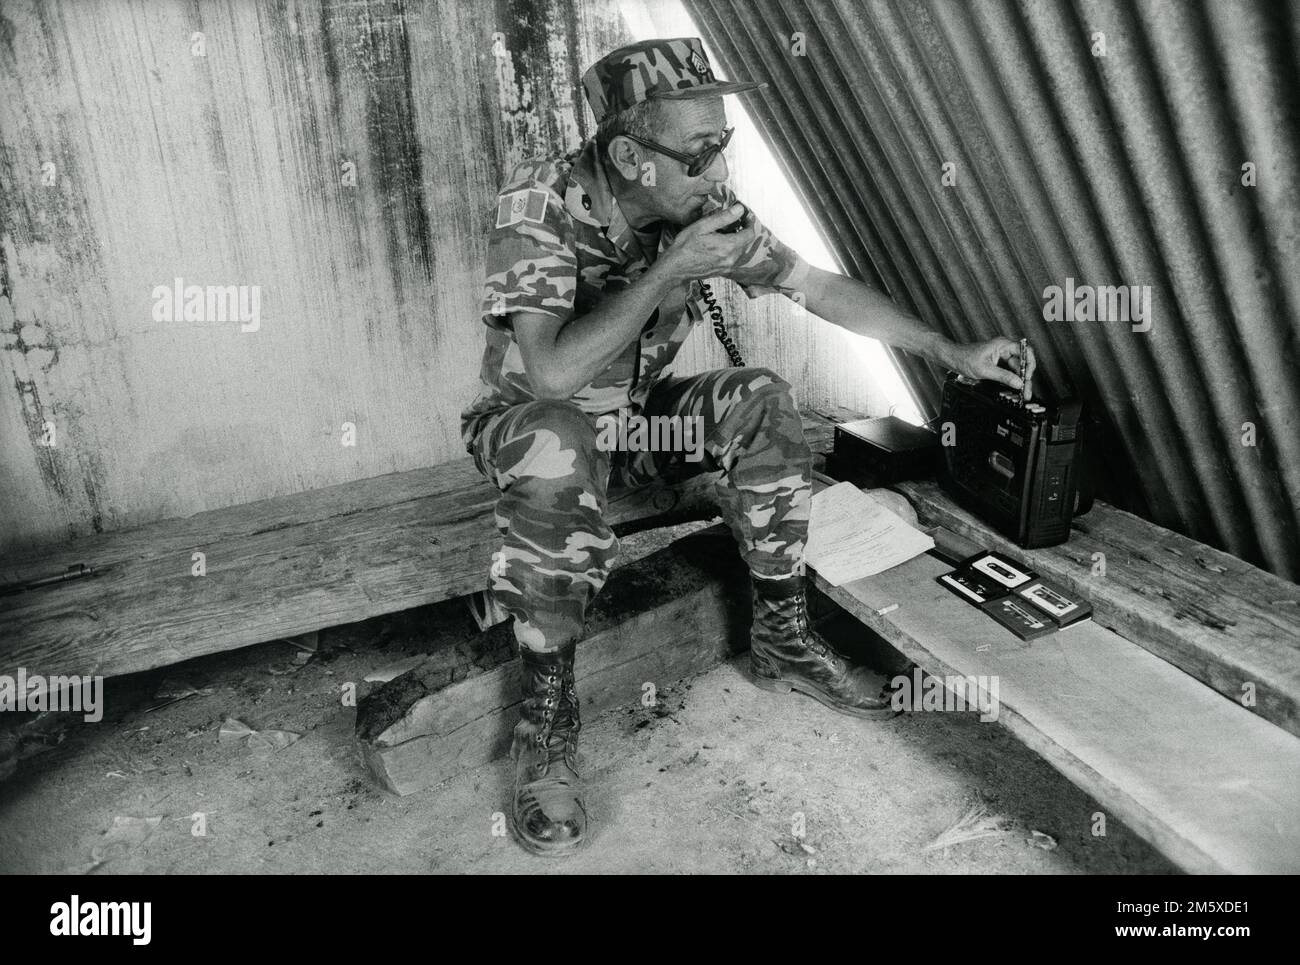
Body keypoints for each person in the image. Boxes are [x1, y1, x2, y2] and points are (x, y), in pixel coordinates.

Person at [459, 37, 1036, 856]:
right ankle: (547, 724)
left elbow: (817, 287)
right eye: (699, 155)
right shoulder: (539, 207)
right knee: (558, 439)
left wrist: (950, 351)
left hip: (635, 425)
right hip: (529, 425)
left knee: (762, 398)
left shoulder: (697, 211)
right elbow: (549, 374)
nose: (717, 174)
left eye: (723, 146)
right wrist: (666, 274)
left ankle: (782, 635)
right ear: (628, 155)